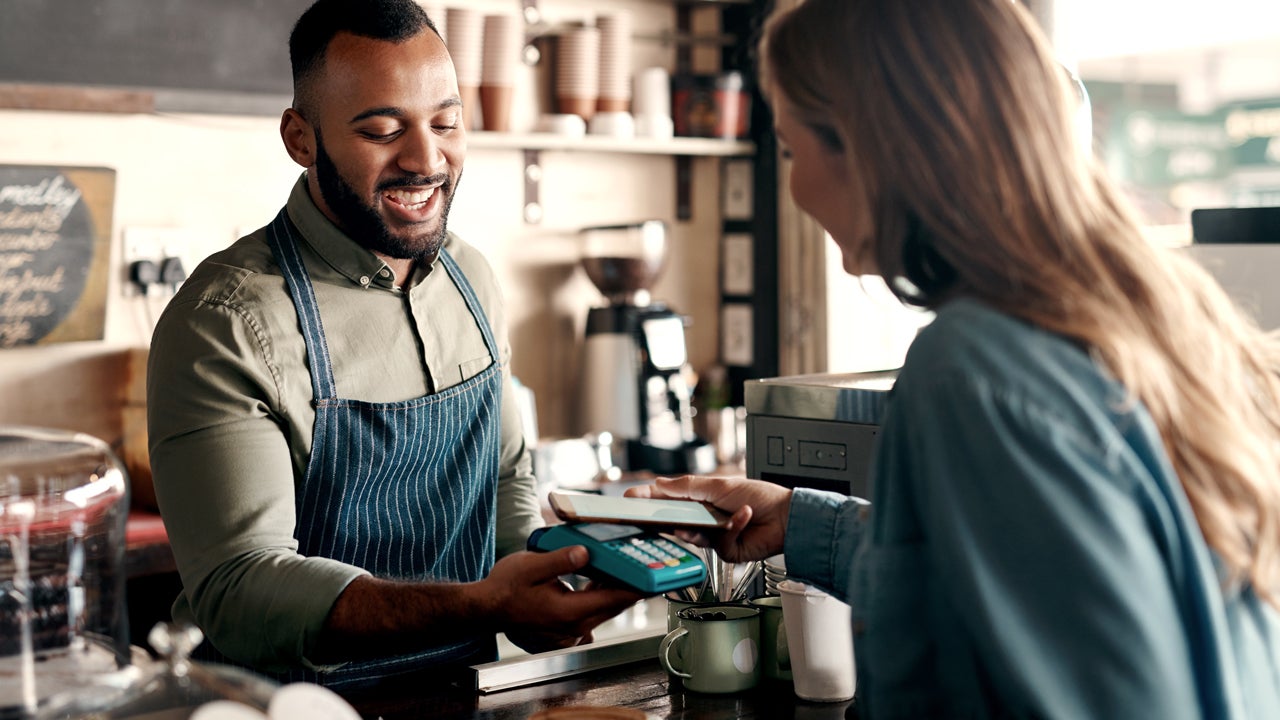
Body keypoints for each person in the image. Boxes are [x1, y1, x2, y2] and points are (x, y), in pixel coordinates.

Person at [629, 0, 1280, 717]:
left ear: (868, 148)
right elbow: (1044, 585)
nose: (795, 186)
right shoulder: (1153, 312)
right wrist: (806, 524)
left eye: (791, 150)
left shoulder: (972, 371)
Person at [146, 0, 639, 689]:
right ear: (300, 138)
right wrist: (482, 604)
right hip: (285, 707)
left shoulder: (473, 279)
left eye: (446, 122)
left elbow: (504, 480)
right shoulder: (227, 320)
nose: (426, 159)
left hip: (462, 691)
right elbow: (240, 588)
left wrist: (548, 573)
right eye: (382, 130)